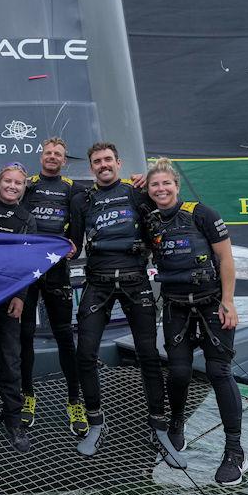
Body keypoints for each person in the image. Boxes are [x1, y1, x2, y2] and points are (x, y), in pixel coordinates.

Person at [68, 142, 184, 468]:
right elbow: (73, 246)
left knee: (148, 355)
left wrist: (148, 185)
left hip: (136, 281)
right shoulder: (85, 200)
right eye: (97, 162)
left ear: (117, 163)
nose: (103, 165)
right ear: (91, 167)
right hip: (98, 282)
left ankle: (158, 427)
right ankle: (95, 422)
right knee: (85, 353)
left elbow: (170, 207)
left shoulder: (138, 193)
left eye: (108, 160)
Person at [145, 158, 245, 485]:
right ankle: (176, 426)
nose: (161, 189)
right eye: (154, 185)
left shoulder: (204, 214)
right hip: (175, 306)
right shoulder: (151, 221)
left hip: (212, 304)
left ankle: (234, 450)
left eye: (166, 184)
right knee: (178, 371)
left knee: (219, 371)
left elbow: (226, 258)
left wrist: (228, 302)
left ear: (177, 185)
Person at [19, 137, 88, 435]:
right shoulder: (28, 184)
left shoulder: (73, 188)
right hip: (29, 272)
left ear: (64, 160)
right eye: (48, 153)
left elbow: (94, 207)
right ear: (41, 156)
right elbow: (1, 196)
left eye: (57, 154)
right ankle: (27, 396)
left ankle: (74, 400)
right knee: (25, 336)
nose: (52, 157)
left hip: (58, 272)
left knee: (64, 337)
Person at [0, 163, 37, 452]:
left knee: (10, 358)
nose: (12, 186)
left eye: (18, 183)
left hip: (8, 292)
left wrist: (21, 296)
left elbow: (27, 263)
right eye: (8, 181)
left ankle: (12, 419)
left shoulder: (27, 218)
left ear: (25, 187)